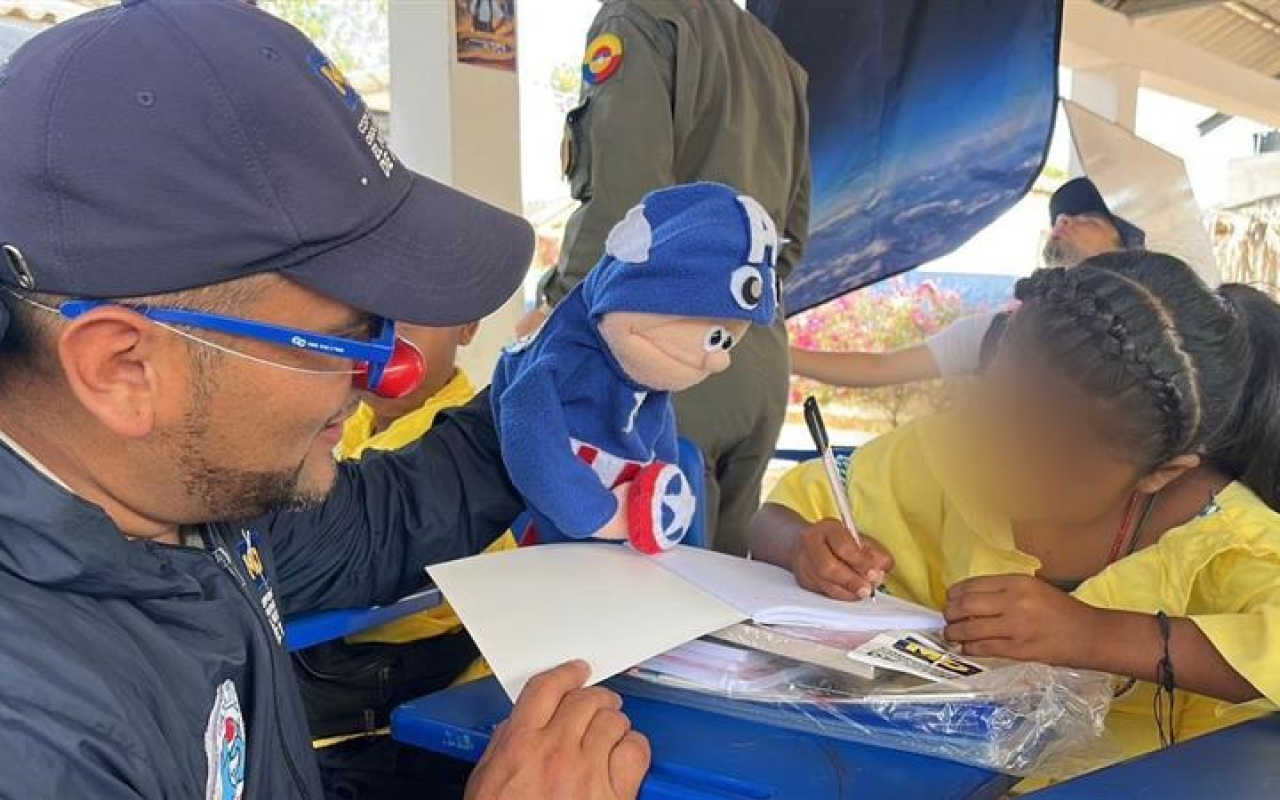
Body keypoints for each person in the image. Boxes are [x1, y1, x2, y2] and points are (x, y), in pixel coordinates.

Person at [0, 2, 648, 798]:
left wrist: (565, 372)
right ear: (123, 367)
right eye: (348, 339)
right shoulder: (34, 739)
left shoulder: (183, 498)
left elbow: (394, 518)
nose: (388, 375)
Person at [751, 251, 1280, 772]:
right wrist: (804, 546)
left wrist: (1091, 635)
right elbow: (777, 515)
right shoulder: (947, 454)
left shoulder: (1219, 536)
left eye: (1062, 462)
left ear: (1161, 472)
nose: (1004, 463)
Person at [517, 0, 811, 557]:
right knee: (720, 607)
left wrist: (557, 311)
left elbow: (626, 210)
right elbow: (792, 235)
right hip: (755, 354)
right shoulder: (778, 60)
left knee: (628, 595)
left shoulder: (638, 21)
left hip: (664, 356)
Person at [296, 321, 523, 800]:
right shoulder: (349, 424)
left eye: (412, 314)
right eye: (370, 313)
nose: (387, 331)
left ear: (468, 326)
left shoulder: (453, 445)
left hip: (399, 718)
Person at [791, 177, 1146, 388]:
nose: (1064, 220)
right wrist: (781, 353)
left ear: (1127, 253)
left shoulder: (1147, 350)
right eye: (1063, 216)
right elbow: (881, 368)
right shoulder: (999, 331)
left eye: (1089, 219)